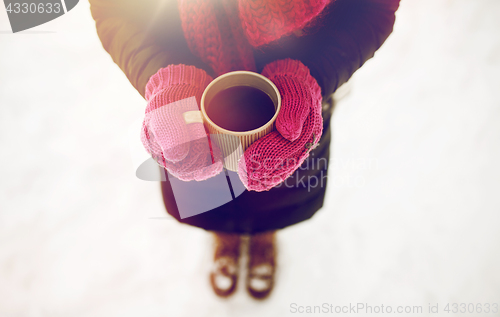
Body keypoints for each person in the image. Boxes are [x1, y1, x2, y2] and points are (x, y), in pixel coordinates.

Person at [90, 0, 400, 299]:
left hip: (295, 103)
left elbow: (374, 6)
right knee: (205, 188)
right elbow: (112, 8)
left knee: (279, 186)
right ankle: (225, 235)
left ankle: (264, 234)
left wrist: (315, 76)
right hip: (190, 111)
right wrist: (162, 78)